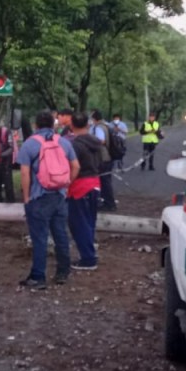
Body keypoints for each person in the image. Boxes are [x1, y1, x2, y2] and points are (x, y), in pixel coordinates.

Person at [17, 109, 79, 289]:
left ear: (36, 125)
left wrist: (27, 197)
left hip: (39, 196)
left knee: (39, 238)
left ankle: (38, 277)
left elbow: (24, 173)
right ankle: (63, 271)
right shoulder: (64, 142)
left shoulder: (30, 144)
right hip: (59, 195)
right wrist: (67, 184)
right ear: (53, 125)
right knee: (61, 234)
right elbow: (76, 166)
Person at [67, 113, 101, 270]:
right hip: (95, 183)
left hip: (80, 185)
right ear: (88, 125)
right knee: (90, 221)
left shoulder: (75, 145)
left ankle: (88, 258)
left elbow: (74, 166)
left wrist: (67, 182)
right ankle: (90, 251)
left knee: (79, 223)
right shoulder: (96, 142)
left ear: (71, 126)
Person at [90, 110, 117, 212]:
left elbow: (101, 140)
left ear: (94, 119)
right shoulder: (106, 125)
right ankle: (108, 202)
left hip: (103, 157)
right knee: (105, 181)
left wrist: (90, 141)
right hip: (107, 157)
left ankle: (109, 203)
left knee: (104, 181)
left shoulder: (99, 127)